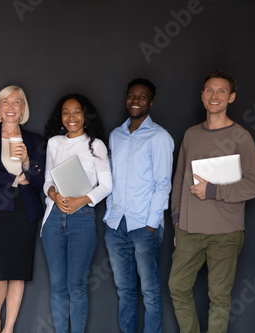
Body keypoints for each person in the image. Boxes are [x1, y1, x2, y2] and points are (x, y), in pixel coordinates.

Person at [168, 70, 255, 333]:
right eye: (209, 90)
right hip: (188, 230)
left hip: (226, 232)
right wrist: (177, 220)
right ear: (202, 96)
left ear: (231, 97)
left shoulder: (241, 137)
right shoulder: (190, 134)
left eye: (221, 91)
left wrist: (213, 191)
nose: (214, 96)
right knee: (177, 286)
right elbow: (179, 180)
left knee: (219, 297)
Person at [103, 78, 174, 333]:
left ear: (151, 102)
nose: (136, 101)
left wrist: (151, 225)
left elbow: (163, 184)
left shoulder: (160, 137)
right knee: (125, 290)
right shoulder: (115, 135)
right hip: (116, 225)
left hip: (144, 226)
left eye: (142, 97)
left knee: (150, 291)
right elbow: (111, 179)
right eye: (132, 95)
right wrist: (111, 213)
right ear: (126, 99)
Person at [0, 85, 45, 333]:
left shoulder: (35, 140)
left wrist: (27, 162)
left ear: (23, 108)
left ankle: (9, 327)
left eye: (16, 102)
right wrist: (16, 179)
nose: (11, 107)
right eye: (5, 102)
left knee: (18, 271)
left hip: (25, 211)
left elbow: (39, 180)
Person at [42, 93, 112, 333]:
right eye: (66, 112)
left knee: (76, 286)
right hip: (53, 219)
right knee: (58, 286)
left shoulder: (96, 145)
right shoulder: (54, 143)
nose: (71, 117)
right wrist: (53, 195)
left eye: (76, 112)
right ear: (60, 117)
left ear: (85, 116)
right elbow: (47, 182)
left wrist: (81, 200)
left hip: (81, 219)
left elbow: (107, 185)